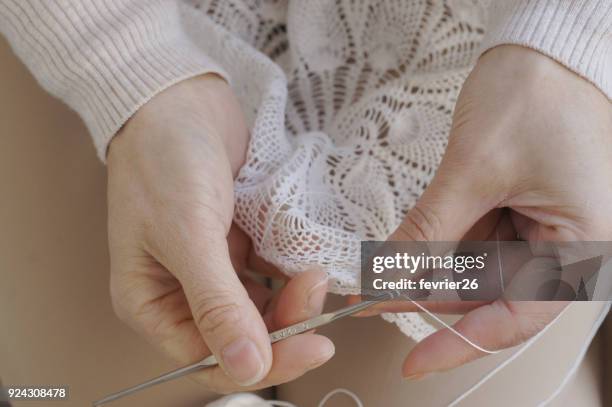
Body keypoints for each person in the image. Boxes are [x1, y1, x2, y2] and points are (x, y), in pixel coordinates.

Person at [0, 1, 610, 405]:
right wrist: (124, 67)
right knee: (53, 388)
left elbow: (589, 266)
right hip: (130, 27)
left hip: (530, 70)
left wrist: (576, 55)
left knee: (569, 274)